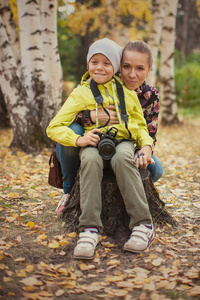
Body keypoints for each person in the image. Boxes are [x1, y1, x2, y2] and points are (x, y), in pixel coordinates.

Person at [47, 38, 155, 259]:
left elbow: (140, 124)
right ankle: (89, 229)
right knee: (90, 160)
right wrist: (78, 140)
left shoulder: (126, 91)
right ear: (87, 64)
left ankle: (143, 225)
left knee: (124, 159)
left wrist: (145, 145)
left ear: (115, 66)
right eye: (94, 61)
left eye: (107, 63)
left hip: (123, 141)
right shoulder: (81, 92)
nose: (99, 67)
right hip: (93, 141)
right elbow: (54, 127)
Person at [55, 40, 163, 215]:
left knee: (155, 169)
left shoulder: (150, 95)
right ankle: (69, 192)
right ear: (118, 65)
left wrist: (144, 148)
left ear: (148, 69)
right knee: (73, 130)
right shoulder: (100, 83)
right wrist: (91, 116)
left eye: (140, 68)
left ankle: (125, 190)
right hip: (91, 142)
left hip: (127, 146)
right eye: (126, 67)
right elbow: (66, 117)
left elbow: (149, 131)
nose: (132, 74)